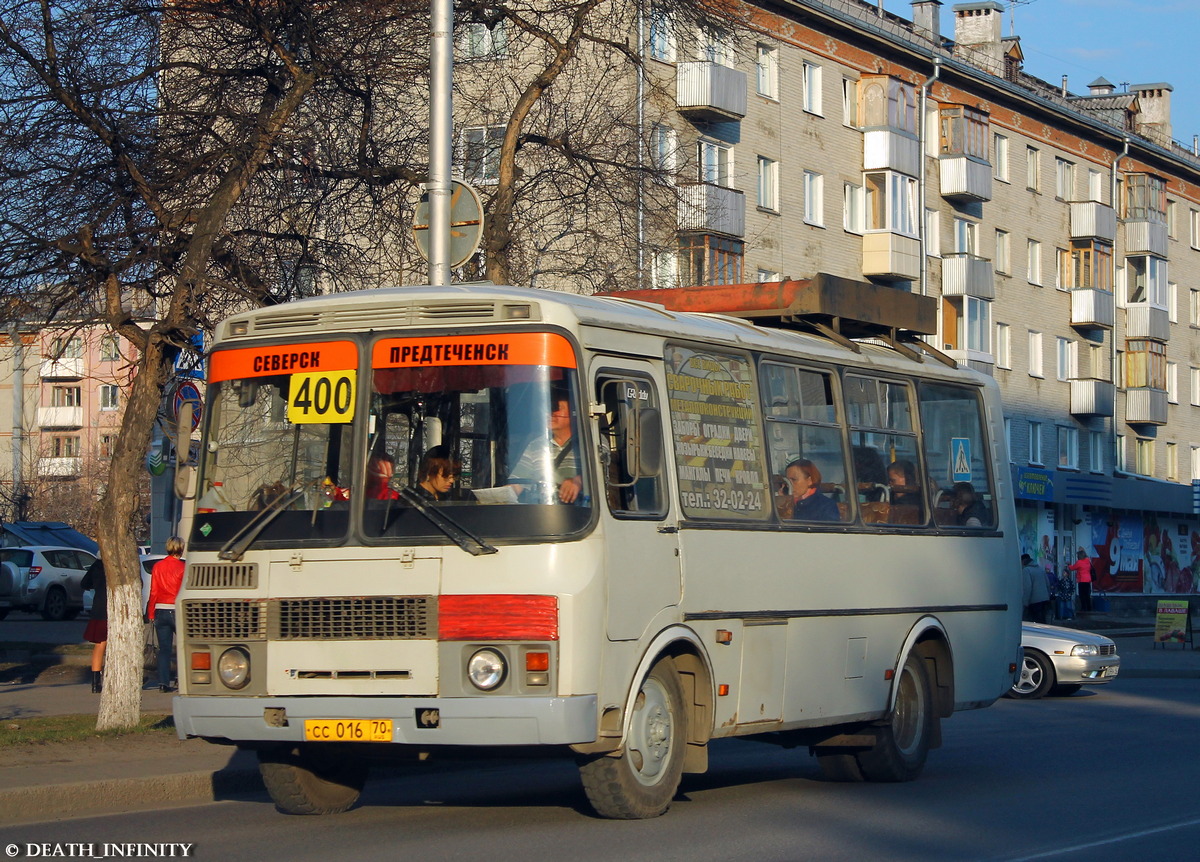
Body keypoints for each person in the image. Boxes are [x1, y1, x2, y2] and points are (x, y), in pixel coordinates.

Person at [507, 393, 582, 503]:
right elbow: (518, 482)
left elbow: (603, 475)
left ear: (574, 414)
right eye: (548, 409)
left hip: (583, 514)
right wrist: (497, 497)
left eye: (557, 409)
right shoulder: (536, 445)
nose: (549, 414)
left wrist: (578, 481)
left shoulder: (592, 440)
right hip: (543, 512)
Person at [147, 536, 185, 693]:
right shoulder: (183, 567)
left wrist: (151, 613)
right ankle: (181, 679)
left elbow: (154, 591)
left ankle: (163, 682)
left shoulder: (158, 566)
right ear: (181, 549)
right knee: (183, 647)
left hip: (160, 609)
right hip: (177, 609)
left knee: (164, 649)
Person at [81, 558, 107, 693]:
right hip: (114, 607)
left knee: (100, 644)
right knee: (114, 644)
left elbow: (84, 583)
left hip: (98, 607)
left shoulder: (97, 565)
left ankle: (95, 683)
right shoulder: (119, 563)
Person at [1021, 553, 1050, 622]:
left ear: (1023, 561)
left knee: (1035, 624)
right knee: (1043, 622)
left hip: (1034, 601)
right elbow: (1047, 584)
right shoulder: (1040, 569)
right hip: (1044, 600)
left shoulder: (1026, 570)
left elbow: (1027, 587)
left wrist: (1025, 602)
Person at [1067, 548, 1094, 613]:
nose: (1077, 557)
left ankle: (1083, 608)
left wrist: (1069, 565)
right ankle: (1089, 608)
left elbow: (1072, 568)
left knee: (1082, 595)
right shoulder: (1088, 561)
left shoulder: (1079, 562)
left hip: (1082, 580)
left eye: (1077, 556)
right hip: (1088, 580)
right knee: (1087, 595)